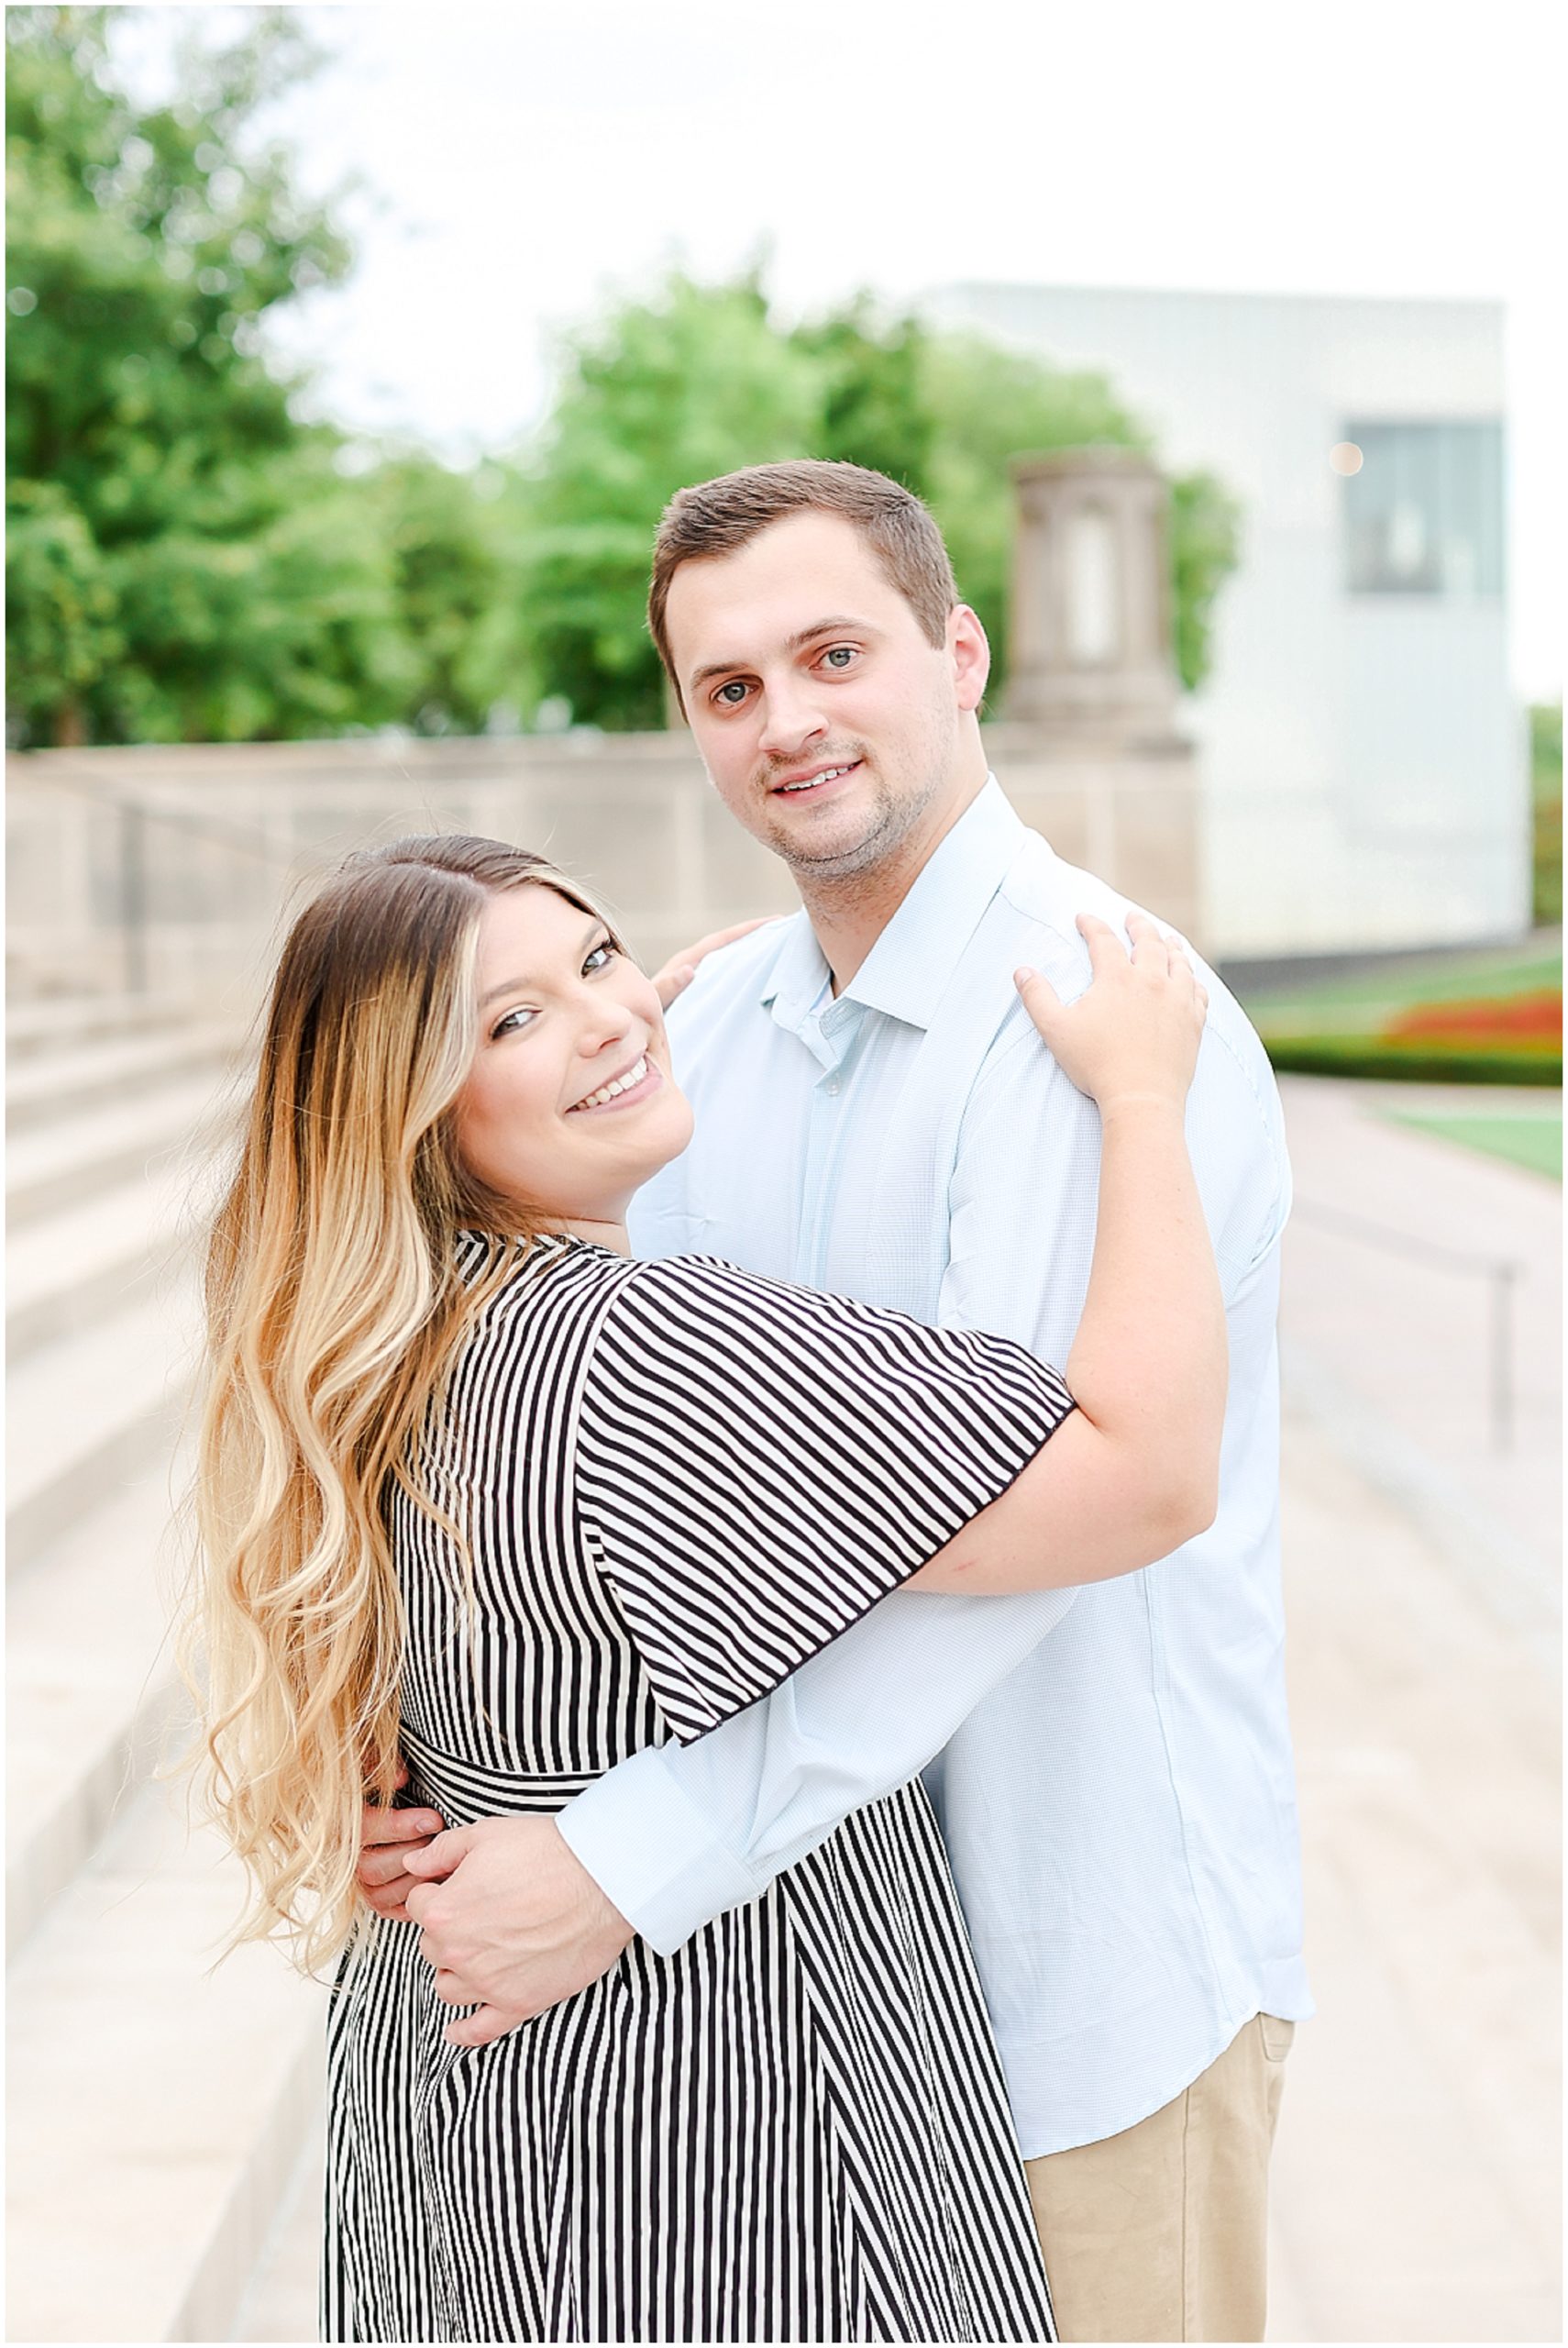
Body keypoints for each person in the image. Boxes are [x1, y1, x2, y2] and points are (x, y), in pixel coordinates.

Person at [365, 462, 1312, 2345]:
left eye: (833, 654)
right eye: (730, 687)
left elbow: (1068, 1515)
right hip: (796, 2020)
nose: (788, 721)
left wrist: (629, 1860)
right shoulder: (697, 1034)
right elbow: (607, 1478)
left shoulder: (1099, 1014)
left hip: (1070, 1970)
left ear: (957, 655)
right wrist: (409, 1770)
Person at [192, 825, 1223, 2343]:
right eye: (510, 1020)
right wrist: (1140, 1103)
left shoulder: (382, 1350)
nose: (612, 1015)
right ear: (410, 1115)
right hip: (718, 2139)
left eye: (599, 958)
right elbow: (1146, 1474)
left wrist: (582, 1049)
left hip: (460, 2111)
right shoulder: (632, 1353)